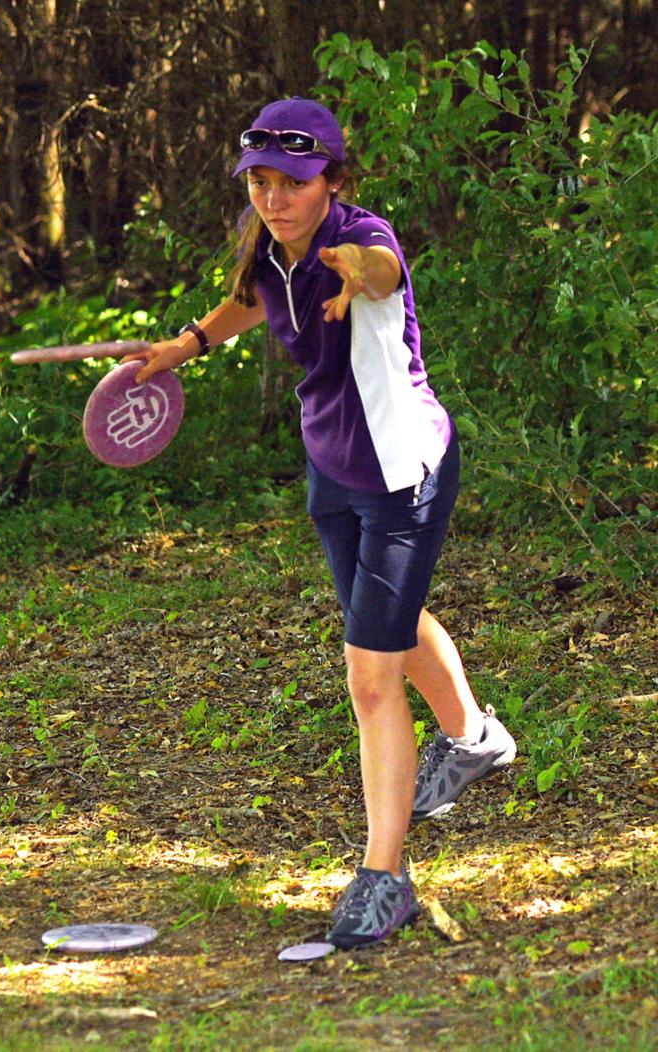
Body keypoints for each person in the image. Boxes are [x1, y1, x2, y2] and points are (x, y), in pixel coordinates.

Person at [126, 97, 516, 949]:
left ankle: (385, 878)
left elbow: (381, 271)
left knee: (370, 675)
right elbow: (251, 300)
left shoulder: (362, 238)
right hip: (333, 468)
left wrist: (352, 268)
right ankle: (474, 738)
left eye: (294, 183)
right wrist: (185, 345)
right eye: (260, 182)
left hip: (403, 473)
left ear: (332, 180)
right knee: (386, 623)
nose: (275, 199)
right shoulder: (269, 248)